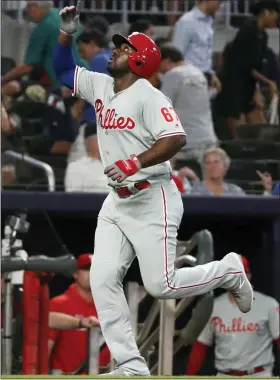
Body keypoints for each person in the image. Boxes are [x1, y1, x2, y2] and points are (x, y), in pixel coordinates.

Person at [53, 2, 254, 375]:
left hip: (152, 195)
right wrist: (67, 33)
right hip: (117, 202)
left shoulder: (149, 95)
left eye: (126, 47)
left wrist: (136, 161)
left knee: (161, 285)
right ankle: (131, 365)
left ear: (141, 61)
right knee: (102, 277)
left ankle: (227, 271)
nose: (116, 49)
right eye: (118, 45)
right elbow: (63, 69)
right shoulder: (101, 85)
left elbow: (176, 138)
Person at [186, 256, 280, 377]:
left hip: (259, 374)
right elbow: (200, 347)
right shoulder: (213, 307)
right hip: (225, 375)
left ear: (249, 276)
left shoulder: (268, 305)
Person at [215, 0, 280, 138]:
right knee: (239, 133)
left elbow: (256, 66)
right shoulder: (247, 32)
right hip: (234, 86)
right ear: (266, 12)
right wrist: (269, 83)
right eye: (275, 14)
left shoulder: (263, 36)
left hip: (248, 86)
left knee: (259, 127)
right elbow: (245, 65)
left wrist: (256, 89)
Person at [1, 0, 85, 90]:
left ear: (36, 7)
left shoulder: (43, 27)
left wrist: (3, 79)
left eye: (28, 7)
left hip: (61, 86)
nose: (27, 12)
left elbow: (28, 67)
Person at [48, 253, 110, 374]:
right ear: (75, 274)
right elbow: (45, 349)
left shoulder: (110, 306)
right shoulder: (59, 304)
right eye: (87, 269)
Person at [159, 44, 217, 162]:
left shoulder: (172, 75)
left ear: (167, 60)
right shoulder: (198, 73)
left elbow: (162, 107)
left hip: (186, 144)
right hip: (207, 138)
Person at [172, 0, 221, 92]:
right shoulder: (187, 21)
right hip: (189, 80)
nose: (220, 4)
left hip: (205, 78)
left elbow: (204, 54)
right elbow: (176, 55)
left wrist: (211, 74)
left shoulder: (208, 21)